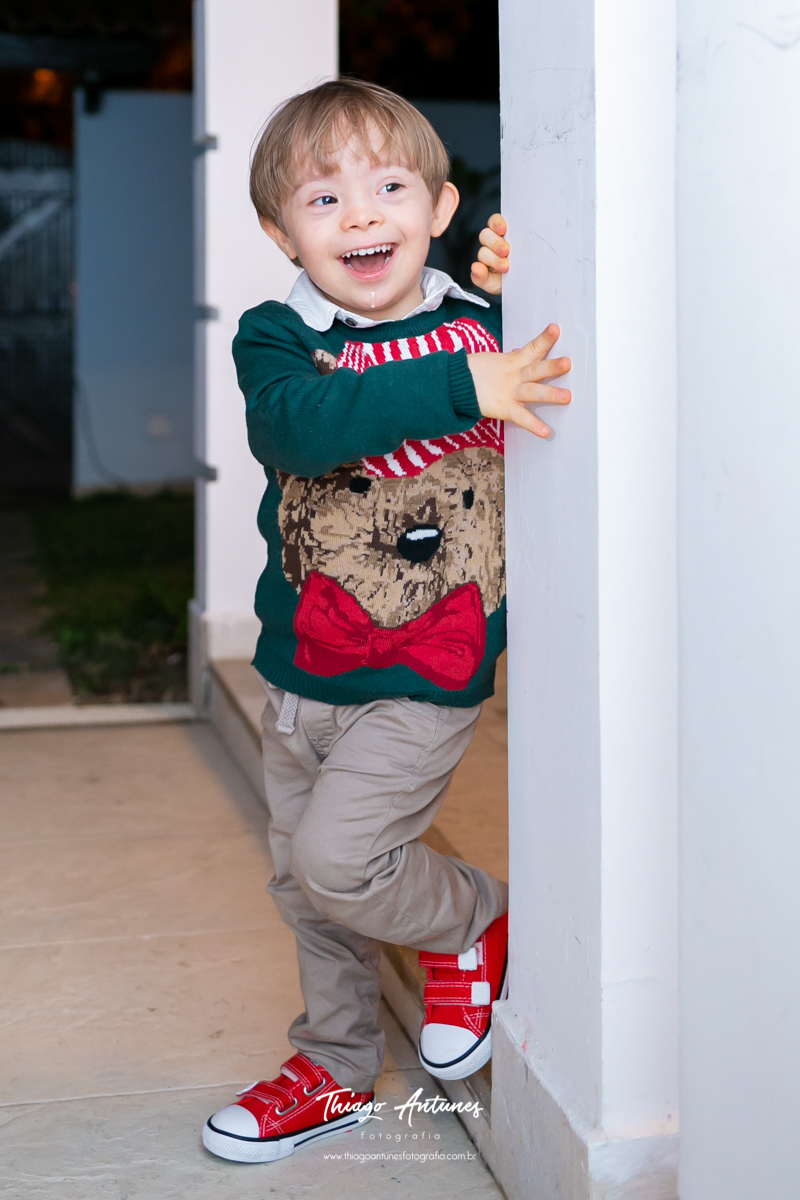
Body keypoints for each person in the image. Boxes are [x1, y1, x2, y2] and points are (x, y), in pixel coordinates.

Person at [202, 78, 571, 1165]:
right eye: (322, 200)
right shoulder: (279, 340)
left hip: (423, 670)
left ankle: (471, 919)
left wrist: (508, 290)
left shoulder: (479, 325)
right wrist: (467, 384)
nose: (360, 215)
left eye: (389, 187)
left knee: (340, 860)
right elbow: (301, 429)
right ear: (281, 233)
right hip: (300, 671)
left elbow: (536, 343)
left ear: (439, 210)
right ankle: (332, 1064)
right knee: (301, 882)